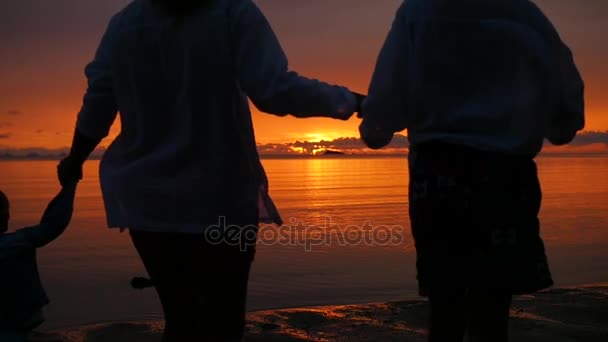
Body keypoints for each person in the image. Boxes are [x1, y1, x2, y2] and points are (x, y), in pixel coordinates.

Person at [57, 0, 364, 341]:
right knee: (224, 318)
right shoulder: (232, 11)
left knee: (180, 317)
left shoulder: (124, 24)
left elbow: (99, 103)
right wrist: (354, 102)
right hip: (220, 196)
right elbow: (273, 90)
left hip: (147, 197)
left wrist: (75, 160)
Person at [359, 0, 584, 341]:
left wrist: (375, 127)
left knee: (445, 304)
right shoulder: (524, 14)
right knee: (493, 308)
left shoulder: (418, 11)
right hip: (506, 178)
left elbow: (384, 107)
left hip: (439, 178)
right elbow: (566, 114)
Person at [0, 183, 77, 341]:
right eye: (6, 212)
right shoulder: (17, 243)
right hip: (18, 324)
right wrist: (69, 187)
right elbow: (53, 224)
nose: (9, 216)